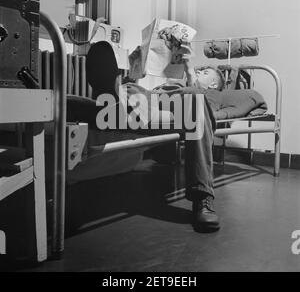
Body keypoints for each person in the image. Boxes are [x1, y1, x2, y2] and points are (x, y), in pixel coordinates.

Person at [84, 41, 223, 233]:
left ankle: (202, 199)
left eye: (205, 73)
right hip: (152, 99)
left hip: (184, 104)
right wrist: (135, 70)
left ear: (214, 84)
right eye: (199, 71)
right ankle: (114, 94)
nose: (200, 72)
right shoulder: (169, 86)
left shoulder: (213, 95)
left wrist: (190, 70)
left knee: (196, 100)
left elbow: (199, 101)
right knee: (135, 91)